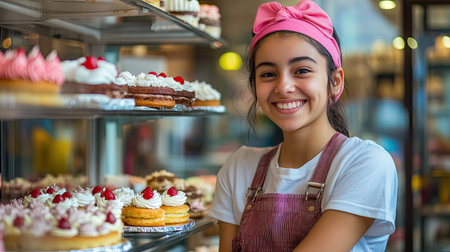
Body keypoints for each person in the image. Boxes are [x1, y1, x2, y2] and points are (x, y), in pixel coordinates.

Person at [208, 1, 398, 251]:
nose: (283, 86)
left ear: (335, 82)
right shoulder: (238, 168)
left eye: (302, 70)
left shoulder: (364, 163)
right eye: (268, 74)